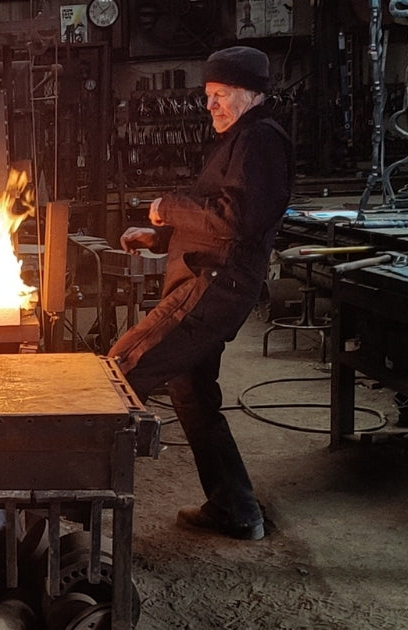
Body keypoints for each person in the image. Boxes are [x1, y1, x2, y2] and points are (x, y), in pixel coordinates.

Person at [108, 46, 294, 541]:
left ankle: (71, 503)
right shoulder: (240, 140)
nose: (210, 105)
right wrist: (162, 237)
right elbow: (220, 219)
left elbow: (235, 221)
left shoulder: (260, 143)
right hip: (207, 278)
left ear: (253, 94)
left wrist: (168, 208)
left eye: (221, 95)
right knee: (191, 394)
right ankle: (235, 509)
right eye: (208, 96)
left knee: (122, 370)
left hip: (214, 287)